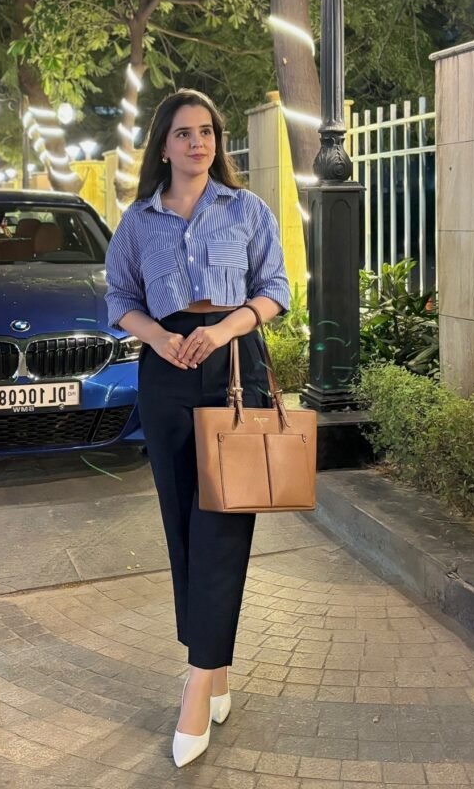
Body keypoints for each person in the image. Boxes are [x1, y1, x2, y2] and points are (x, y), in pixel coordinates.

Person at [104, 88, 290, 768]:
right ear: (164, 145)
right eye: (183, 133)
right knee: (183, 526)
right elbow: (119, 298)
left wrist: (220, 331)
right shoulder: (138, 222)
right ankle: (214, 669)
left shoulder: (247, 211)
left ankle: (196, 681)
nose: (197, 143)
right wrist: (157, 337)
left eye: (206, 132)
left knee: (223, 524)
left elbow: (276, 290)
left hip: (229, 367)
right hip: (165, 374)